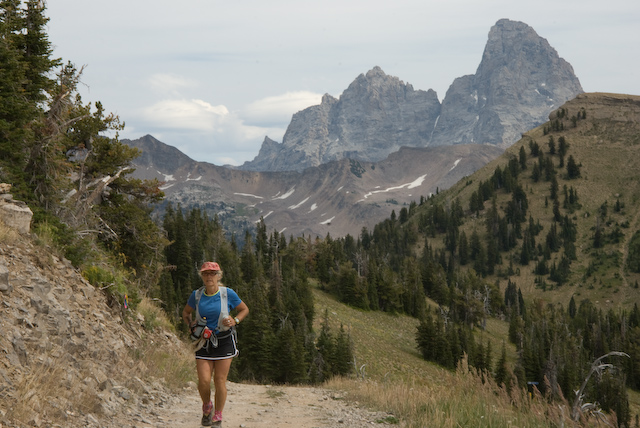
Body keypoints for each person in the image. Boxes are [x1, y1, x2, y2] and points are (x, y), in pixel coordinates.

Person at [182, 261, 249, 427]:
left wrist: (236, 320)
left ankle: (217, 415)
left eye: (212, 273)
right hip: (203, 342)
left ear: (219, 276)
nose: (209, 277)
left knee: (220, 380)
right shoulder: (196, 295)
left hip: (224, 340)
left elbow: (244, 309)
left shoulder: (228, 294)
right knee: (204, 381)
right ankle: (207, 406)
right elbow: (186, 312)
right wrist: (191, 326)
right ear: (202, 276)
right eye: (205, 274)